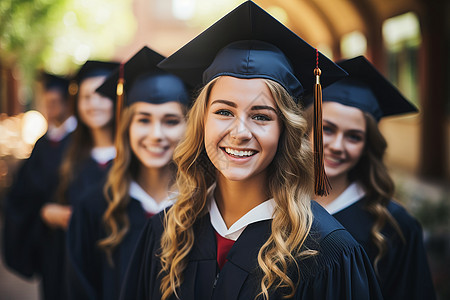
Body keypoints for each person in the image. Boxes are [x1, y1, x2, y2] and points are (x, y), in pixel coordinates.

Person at [120, 2, 382, 300]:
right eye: (224, 112)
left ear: (286, 130)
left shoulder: (325, 252)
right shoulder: (167, 230)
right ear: (201, 121)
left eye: (261, 116)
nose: (240, 132)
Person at [66, 46, 190, 300]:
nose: (156, 134)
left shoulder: (203, 208)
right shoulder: (94, 207)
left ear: (189, 127)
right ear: (127, 127)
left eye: (171, 121)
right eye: (143, 120)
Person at [310, 55, 436, 299]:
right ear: (306, 129)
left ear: (368, 145)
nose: (337, 146)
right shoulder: (274, 206)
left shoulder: (394, 227)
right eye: (327, 129)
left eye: (354, 136)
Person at [2, 72, 76, 300]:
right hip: (48, 238)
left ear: (66, 103)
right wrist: (41, 211)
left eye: (55, 103)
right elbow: (22, 190)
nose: (50, 108)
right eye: (47, 103)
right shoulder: (42, 144)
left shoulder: (79, 142)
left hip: (75, 236)